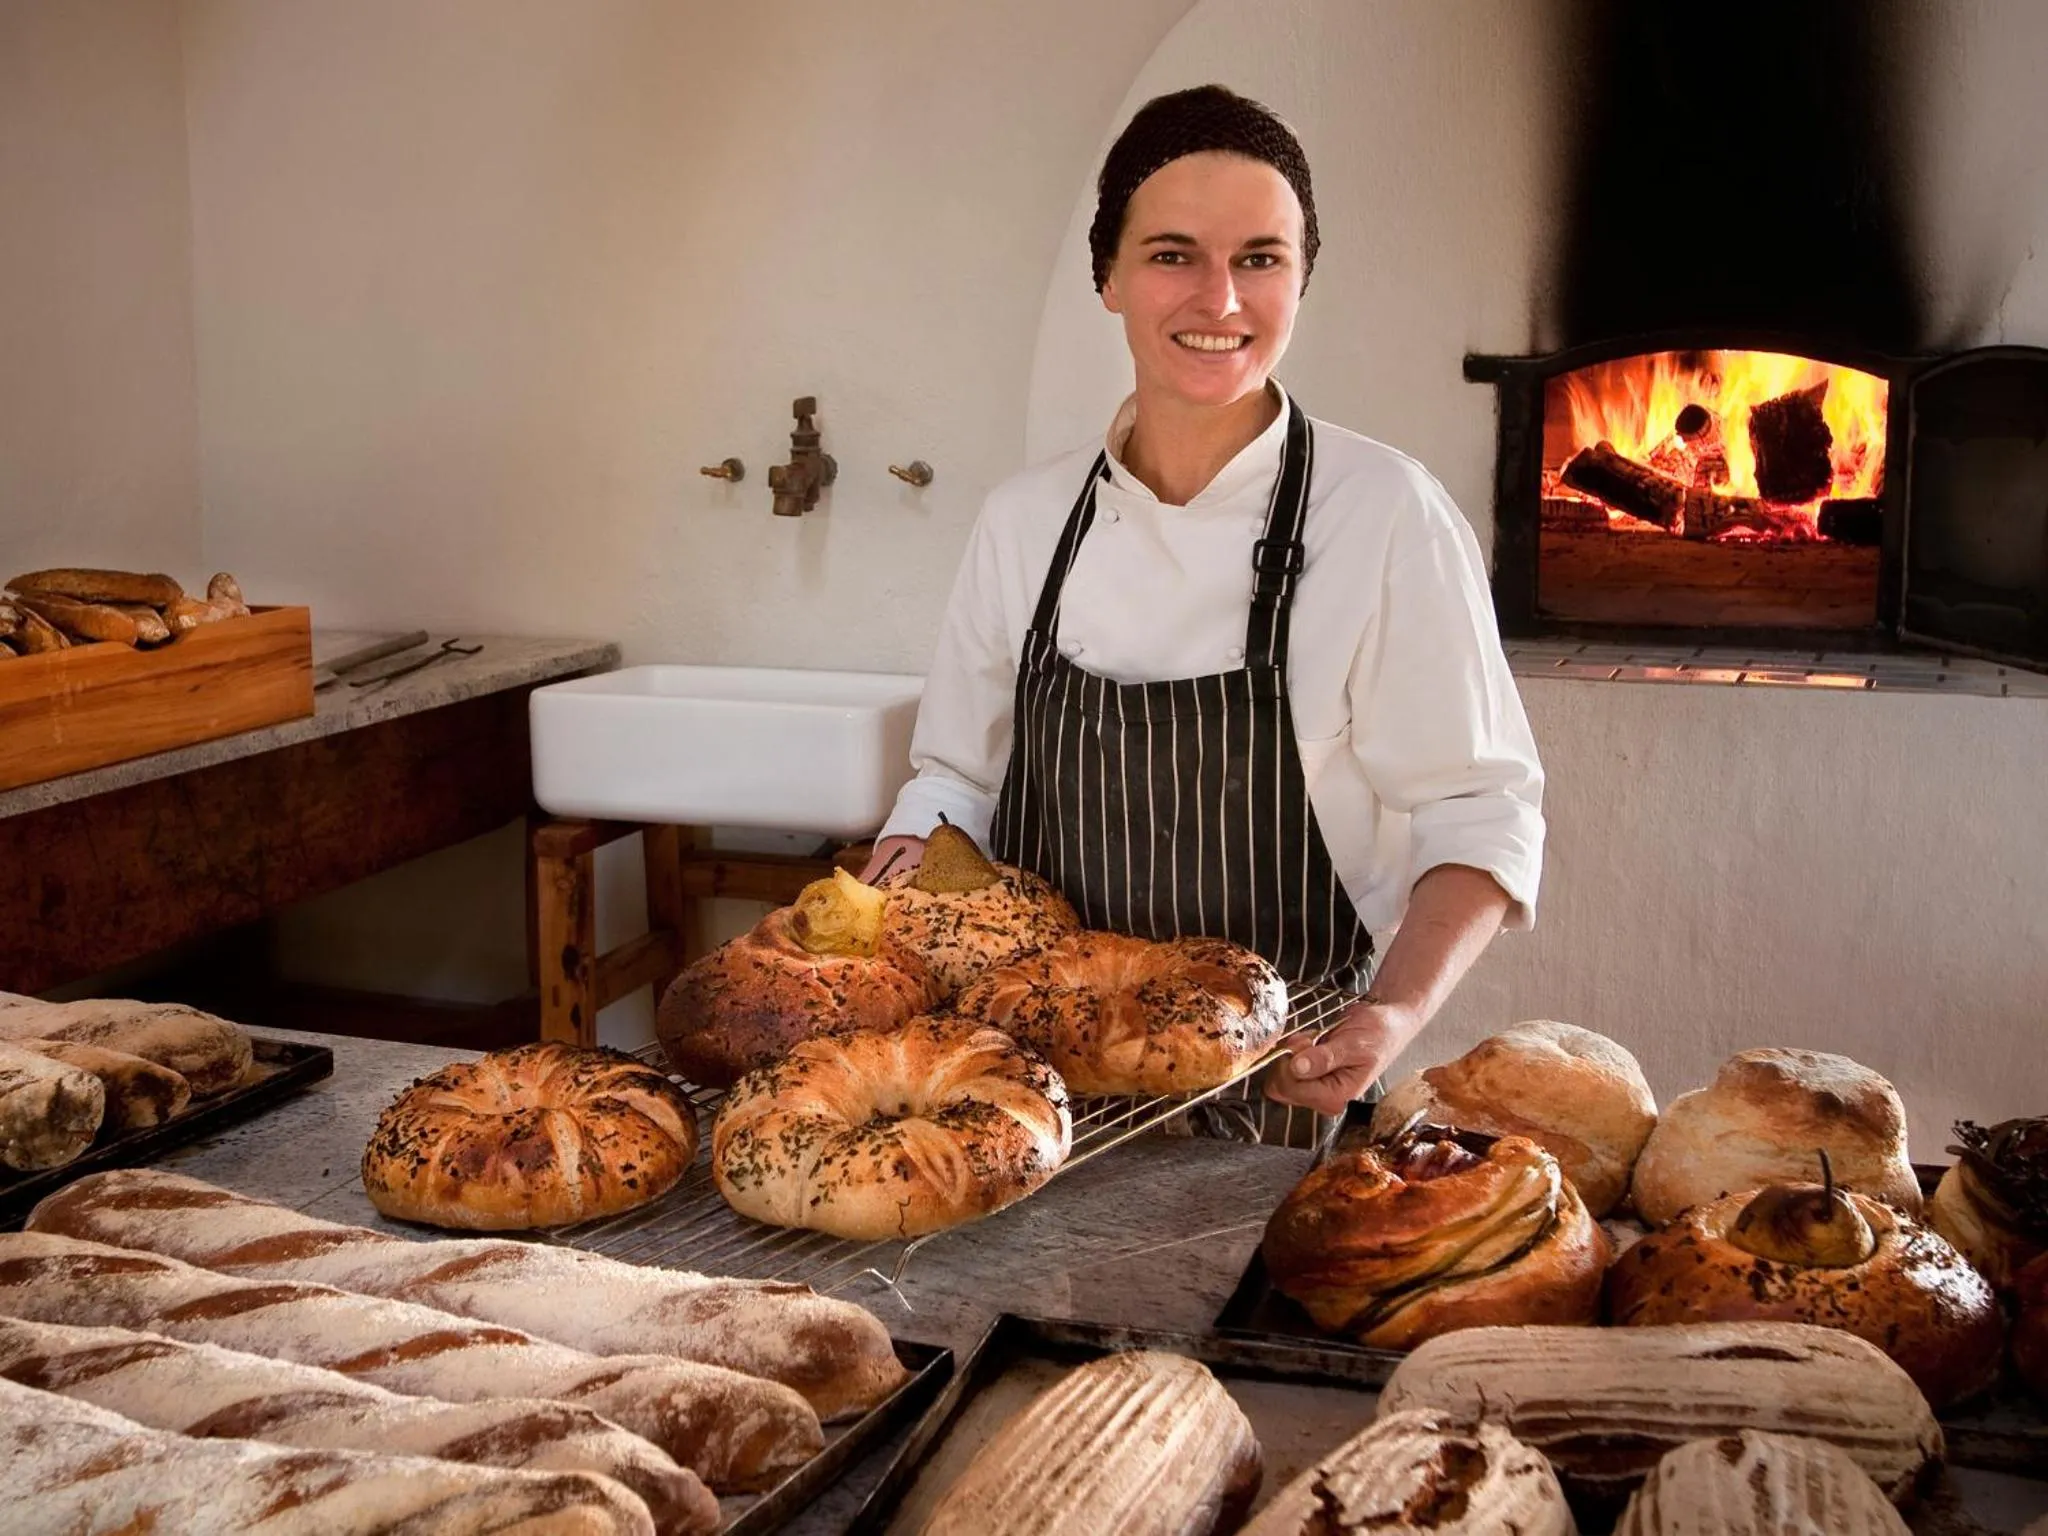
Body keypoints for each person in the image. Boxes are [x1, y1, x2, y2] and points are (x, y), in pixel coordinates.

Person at [864, 84, 1543, 1135]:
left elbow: (1479, 808)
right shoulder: (1025, 520)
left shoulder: (1382, 514)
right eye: (1172, 254)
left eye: (1260, 259)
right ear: (1108, 277)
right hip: (1026, 1095)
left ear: (1301, 279)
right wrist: (871, 913)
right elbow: (954, 778)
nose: (1219, 300)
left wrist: (1391, 1015)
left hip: (1278, 1082)